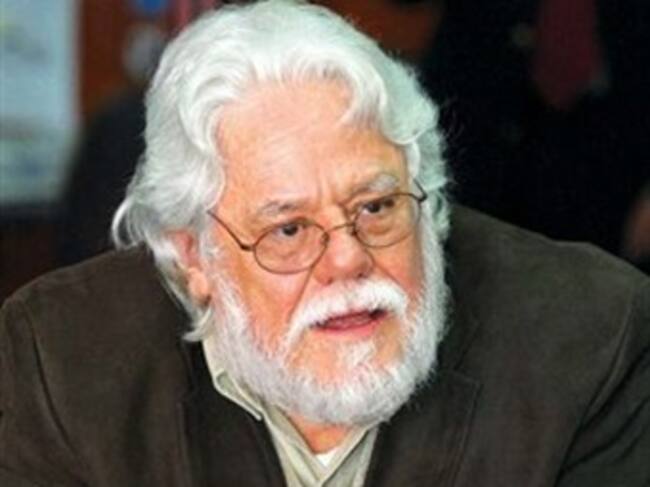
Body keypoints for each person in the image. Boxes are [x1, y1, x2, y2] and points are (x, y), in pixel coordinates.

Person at [1, 1, 649, 486]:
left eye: (376, 207)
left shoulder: (593, 338)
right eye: (288, 229)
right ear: (194, 255)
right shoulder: (58, 364)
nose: (348, 259)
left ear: (426, 193)